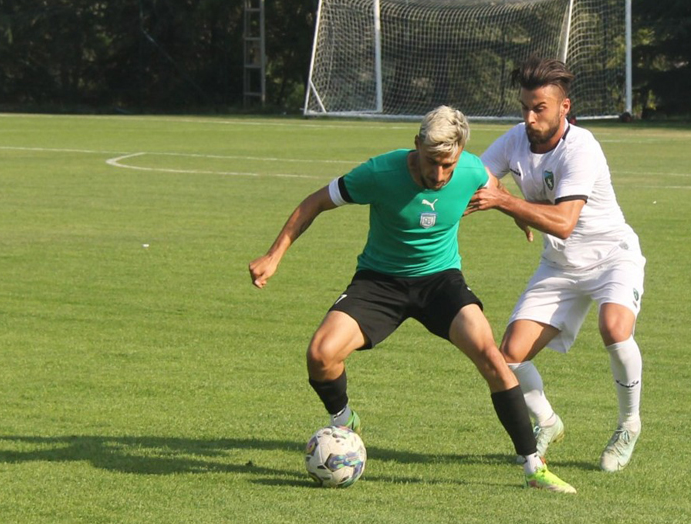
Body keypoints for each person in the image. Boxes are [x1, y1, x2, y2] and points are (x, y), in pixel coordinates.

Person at [248, 106, 576, 493]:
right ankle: (344, 417)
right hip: (379, 282)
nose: (438, 175)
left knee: (491, 355)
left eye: (447, 165)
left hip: (441, 283)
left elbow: (496, 190)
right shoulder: (378, 173)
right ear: (417, 145)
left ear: (461, 154)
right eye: (431, 162)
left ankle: (533, 466)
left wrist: (518, 215)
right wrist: (274, 254)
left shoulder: (470, 170)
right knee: (320, 355)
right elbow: (315, 202)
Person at [466, 58, 646, 472]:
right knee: (507, 357)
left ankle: (628, 424)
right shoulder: (515, 139)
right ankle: (548, 421)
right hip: (560, 266)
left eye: (539, 108)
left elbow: (565, 223)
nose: (529, 118)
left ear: (564, 107)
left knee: (615, 330)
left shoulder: (581, 147)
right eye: (525, 107)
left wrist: (510, 203)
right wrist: (509, 206)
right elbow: (479, 177)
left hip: (611, 256)